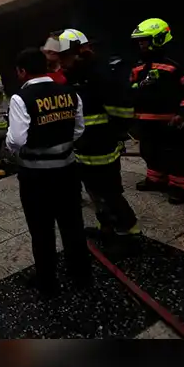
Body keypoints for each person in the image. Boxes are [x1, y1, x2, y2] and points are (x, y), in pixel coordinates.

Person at [6, 47, 92, 296]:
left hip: (36, 178)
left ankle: (47, 280)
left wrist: (14, 148)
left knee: (41, 229)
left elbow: (17, 140)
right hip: (67, 171)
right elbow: (79, 129)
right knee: (72, 223)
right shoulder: (70, 91)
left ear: (22, 71)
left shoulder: (21, 98)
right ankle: (81, 274)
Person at [50, 29, 140, 237]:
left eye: (65, 57)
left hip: (102, 146)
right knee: (94, 192)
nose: (62, 62)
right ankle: (106, 226)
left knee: (109, 192)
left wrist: (112, 134)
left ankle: (129, 229)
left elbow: (122, 111)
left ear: (81, 51)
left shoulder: (99, 74)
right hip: (84, 147)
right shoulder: (75, 77)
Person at [129, 18, 184, 204]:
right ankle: (156, 179)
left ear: (159, 38)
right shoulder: (140, 61)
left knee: (175, 153)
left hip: (171, 119)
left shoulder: (178, 59)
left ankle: (181, 187)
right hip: (146, 118)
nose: (141, 43)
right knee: (149, 150)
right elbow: (131, 84)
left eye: (144, 39)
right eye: (139, 40)